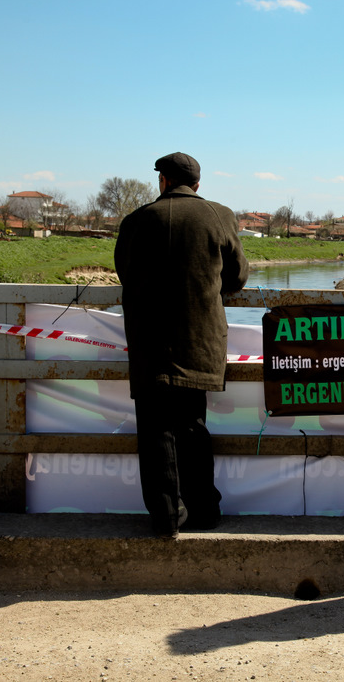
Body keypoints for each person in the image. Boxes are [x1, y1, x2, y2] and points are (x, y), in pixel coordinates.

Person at [115, 152, 249, 538]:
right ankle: (205, 511)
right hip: (200, 342)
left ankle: (166, 518)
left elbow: (126, 272)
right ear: (197, 185)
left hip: (150, 342)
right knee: (193, 426)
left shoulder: (138, 220)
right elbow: (237, 277)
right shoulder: (220, 215)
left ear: (163, 181)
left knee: (155, 430)